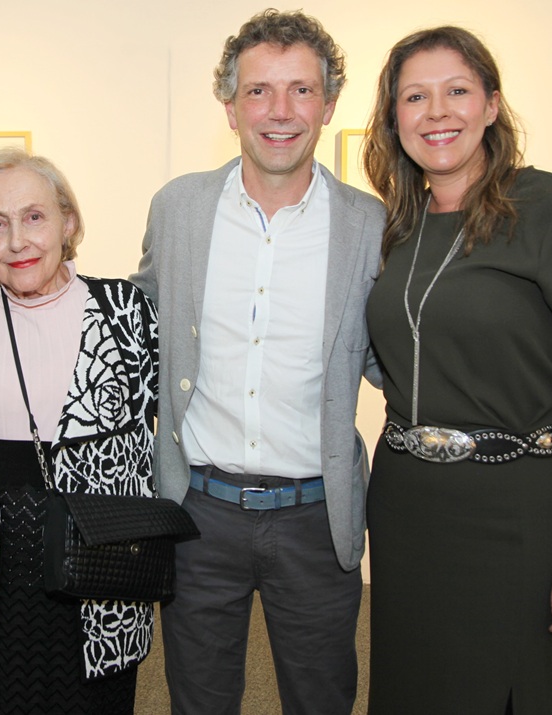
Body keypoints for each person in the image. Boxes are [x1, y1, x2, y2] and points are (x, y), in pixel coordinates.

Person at [361, 26, 552, 713]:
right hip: (407, 508)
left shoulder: (549, 209)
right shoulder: (400, 226)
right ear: (394, 118)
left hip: (516, 509)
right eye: (415, 97)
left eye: (457, 91)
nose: (437, 111)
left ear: (490, 104)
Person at [131, 10, 383, 714]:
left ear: (328, 105)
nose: (279, 111)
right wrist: (21, 283)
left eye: (301, 90)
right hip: (198, 514)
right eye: (258, 91)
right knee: (200, 700)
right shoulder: (179, 208)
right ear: (230, 105)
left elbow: (396, 354)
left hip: (316, 520)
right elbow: (135, 318)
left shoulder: (370, 225)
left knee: (321, 698)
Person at [0, 148, 159, 714]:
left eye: (34, 217)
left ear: (68, 222)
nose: (18, 241)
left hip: (99, 578)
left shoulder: (126, 311)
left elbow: (174, 418)